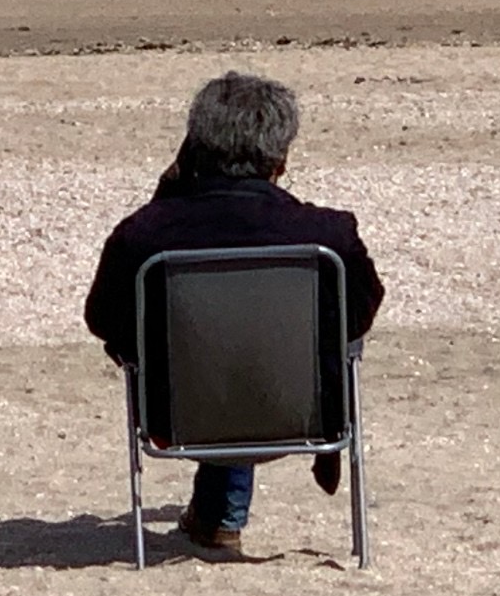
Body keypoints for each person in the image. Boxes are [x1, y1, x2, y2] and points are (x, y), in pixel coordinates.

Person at [83, 70, 384, 553]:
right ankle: (220, 514)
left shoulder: (143, 237)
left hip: (177, 418)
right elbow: (360, 313)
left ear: (195, 148)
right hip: (304, 415)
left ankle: (218, 514)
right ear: (281, 157)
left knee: (211, 352)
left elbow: (103, 319)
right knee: (259, 343)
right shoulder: (328, 237)